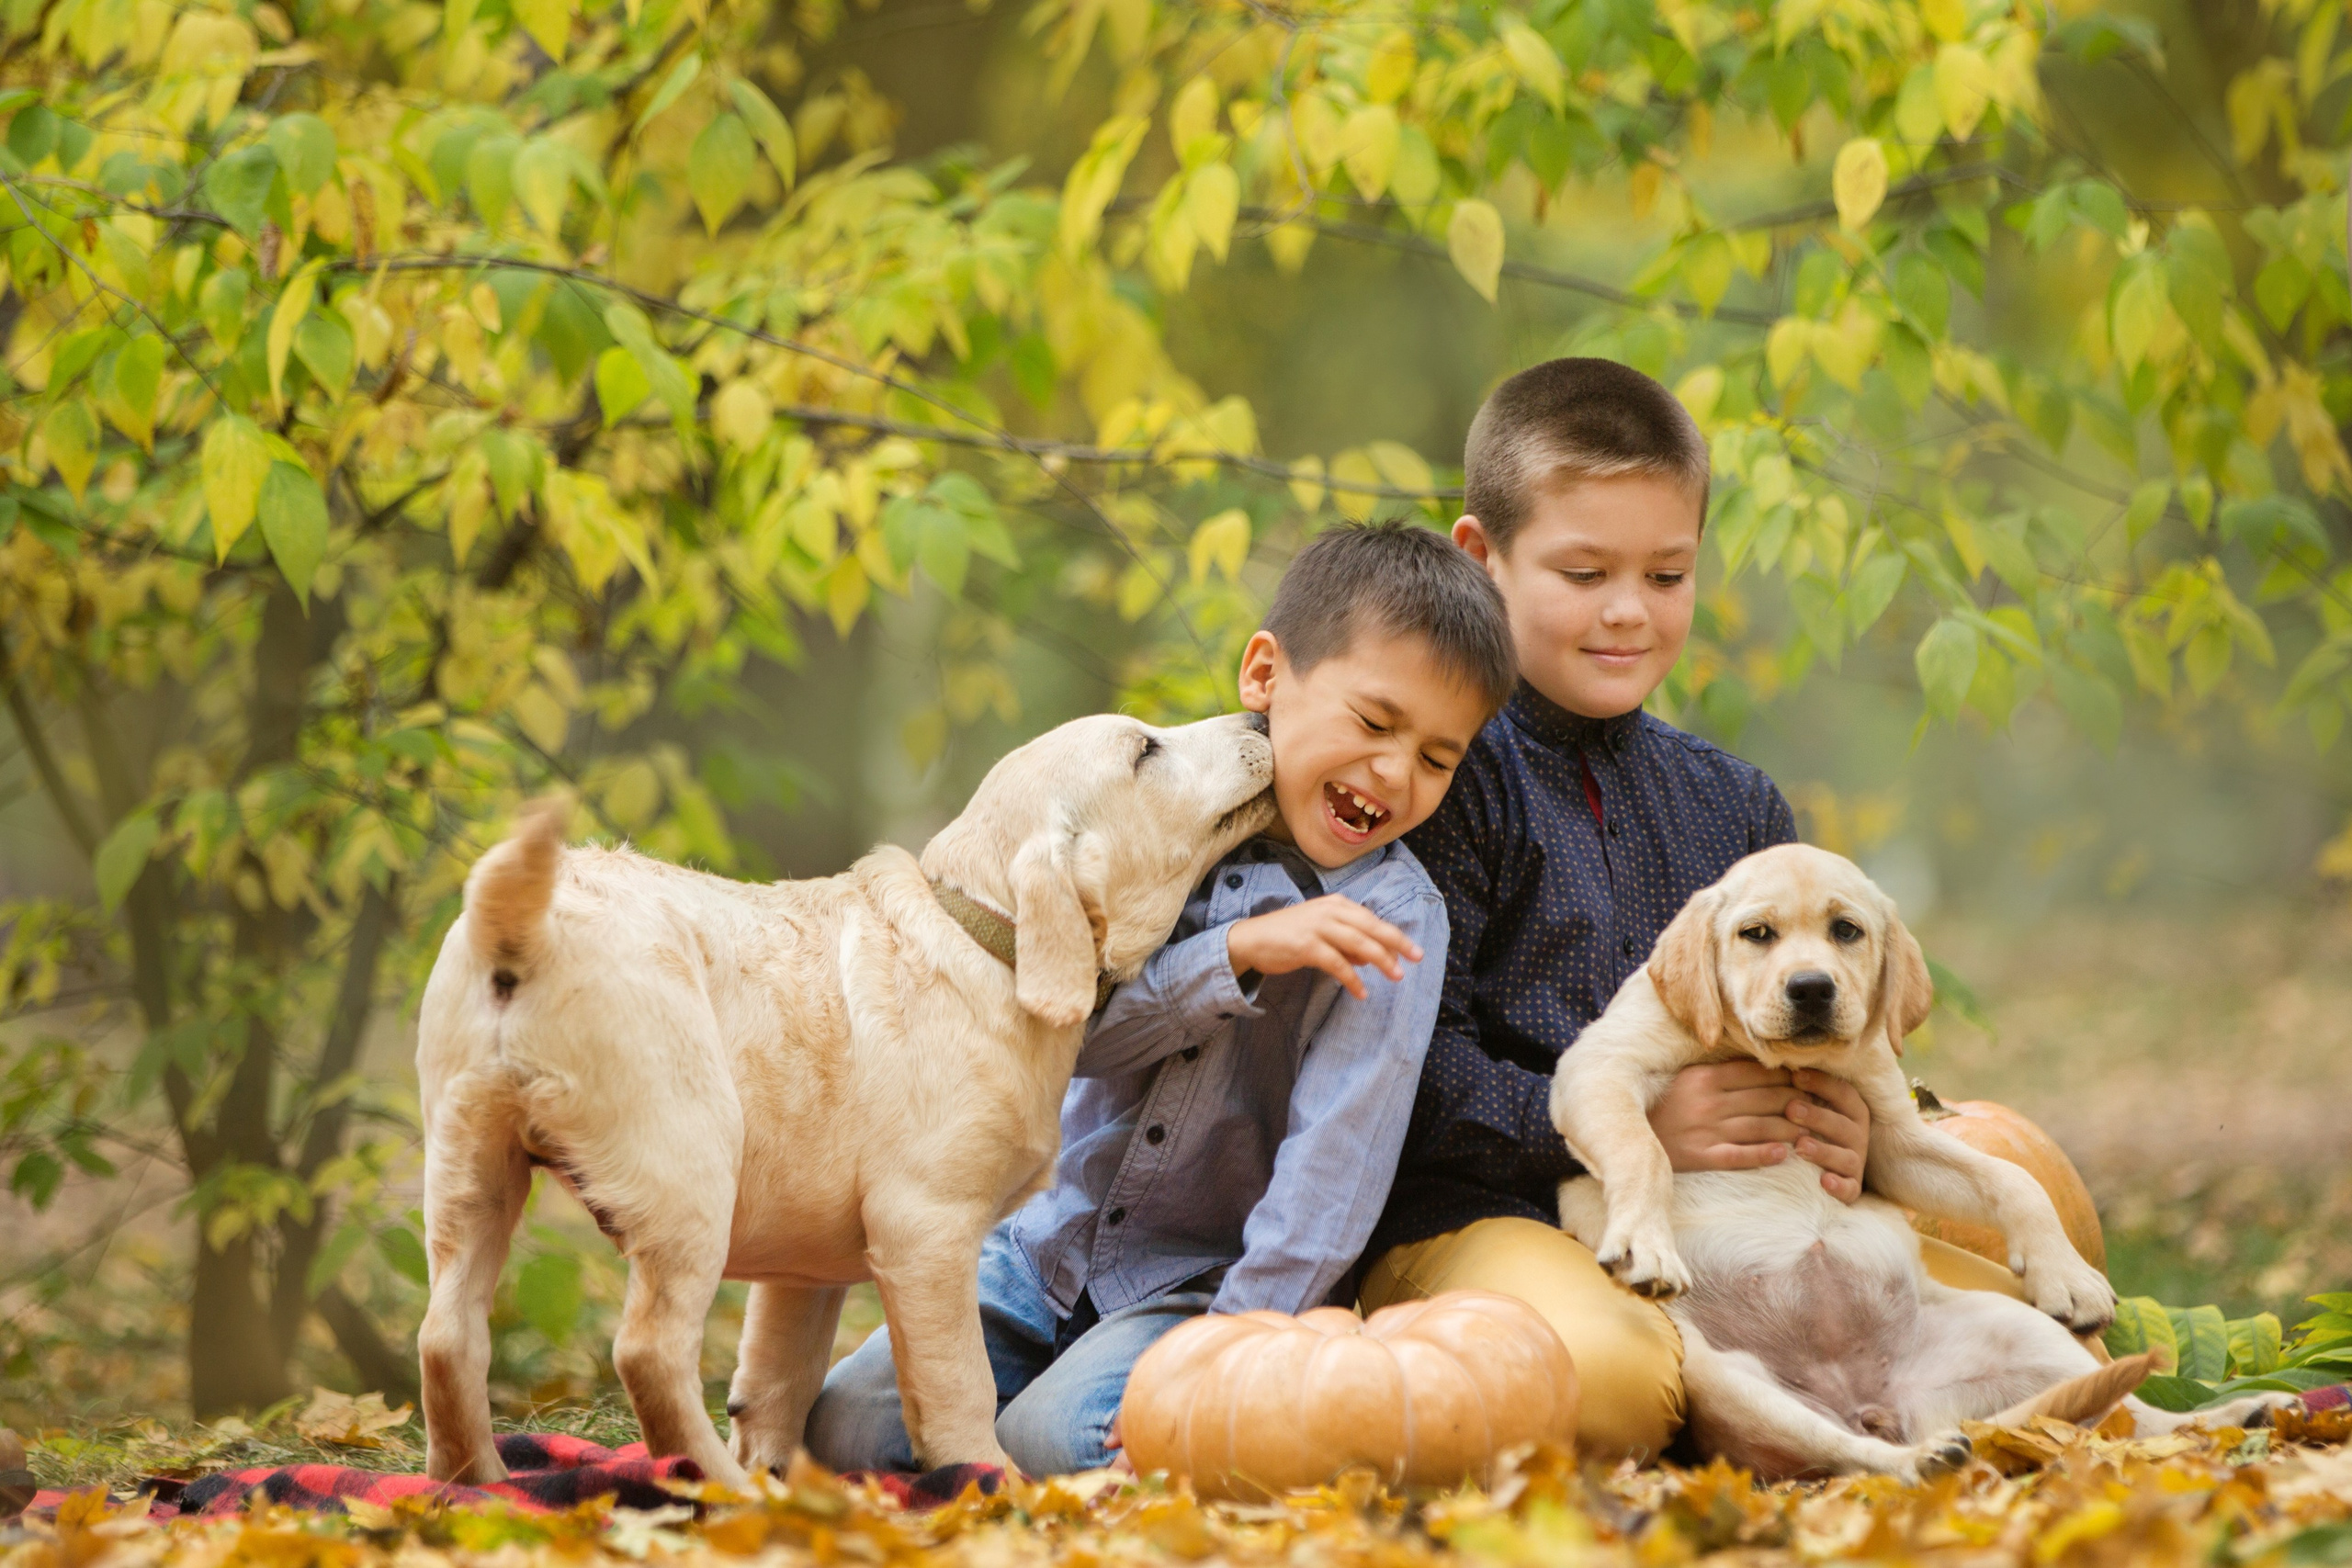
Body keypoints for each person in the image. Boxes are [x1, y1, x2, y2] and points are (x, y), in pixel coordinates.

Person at [1357, 356, 2035, 1463]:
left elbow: (1810, 1024)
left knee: (2021, 1306)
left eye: (1666, 577)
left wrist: (1854, 1131)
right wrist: (1627, 1131)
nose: (1628, 611)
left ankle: (1836, 1417)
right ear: (1480, 560)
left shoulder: (1736, 803)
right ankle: (1714, 1401)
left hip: (1741, 1230)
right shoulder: (1443, 777)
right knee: (1614, 1389)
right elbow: (1392, 1064)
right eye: (1582, 573)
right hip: (1484, 1217)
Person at [806, 521, 1517, 1475]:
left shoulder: (1396, 921)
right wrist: (1231, 954)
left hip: (1196, 1284)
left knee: (1049, 1444)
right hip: (1043, 1247)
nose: (1394, 773)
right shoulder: (1168, 814)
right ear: (1265, 675)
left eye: (1437, 758)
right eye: (1373, 722)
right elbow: (1072, 1039)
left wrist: (1223, 1366)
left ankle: (1126, 1435)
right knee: (846, 1430)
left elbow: (1331, 1177)